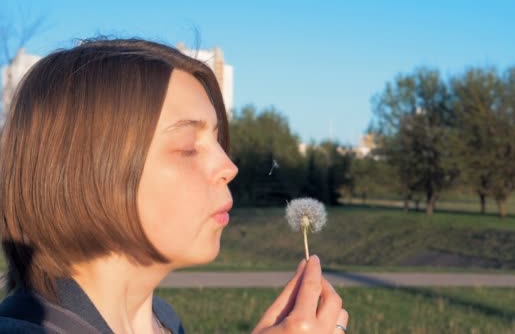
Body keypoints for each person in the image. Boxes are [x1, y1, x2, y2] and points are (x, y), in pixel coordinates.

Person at [0, 38, 348, 334]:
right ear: (81, 170)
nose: (229, 166)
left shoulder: (164, 322)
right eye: (188, 147)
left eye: (217, 141)